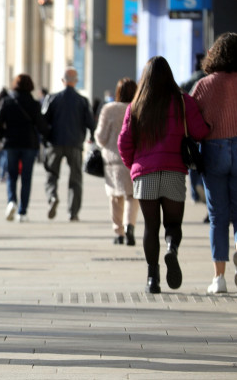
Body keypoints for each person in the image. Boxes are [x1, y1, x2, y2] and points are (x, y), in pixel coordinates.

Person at [118, 57, 210, 293]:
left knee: (150, 226)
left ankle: (152, 278)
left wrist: (134, 167)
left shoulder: (136, 105)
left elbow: (124, 143)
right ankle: (172, 248)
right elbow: (200, 132)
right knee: (173, 223)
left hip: (145, 174)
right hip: (173, 171)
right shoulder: (182, 101)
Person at [191, 32, 237, 294]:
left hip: (214, 148)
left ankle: (218, 279)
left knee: (218, 216)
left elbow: (192, 117)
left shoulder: (205, 84)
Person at [42, 67, 95, 221]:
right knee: (76, 178)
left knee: (52, 174)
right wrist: (91, 137)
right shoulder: (82, 101)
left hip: (55, 142)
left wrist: (45, 139)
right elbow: (91, 123)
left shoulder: (52, 98)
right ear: (76, 81)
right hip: (75, 143)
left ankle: (52, 197)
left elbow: (43, 121)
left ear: (63, 80)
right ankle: (73, 212)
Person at [0, 74, 49, 222]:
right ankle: (22, 212)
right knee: (26, 178)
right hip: (29, 144)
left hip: (11, 143)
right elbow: (41, 125)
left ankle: (11, 201)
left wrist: (3, 138)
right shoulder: (34, 103)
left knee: (11, 175)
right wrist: (46, 136)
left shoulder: (7, 102)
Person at [94, 77, 139, 245]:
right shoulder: (138, 108)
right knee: (132, 196)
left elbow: (100, 136)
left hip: (112, 160)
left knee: (114, 197)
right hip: (134, 159)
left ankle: (118, 232)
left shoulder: (109, 109)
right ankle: (130, 227)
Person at [180, 53, 207, 204]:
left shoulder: (193, 80)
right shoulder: (209, 79)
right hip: (205, 125)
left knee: (192, 159)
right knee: (205, 159)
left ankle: (195, 194)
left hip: (191, 124)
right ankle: (202, 185)